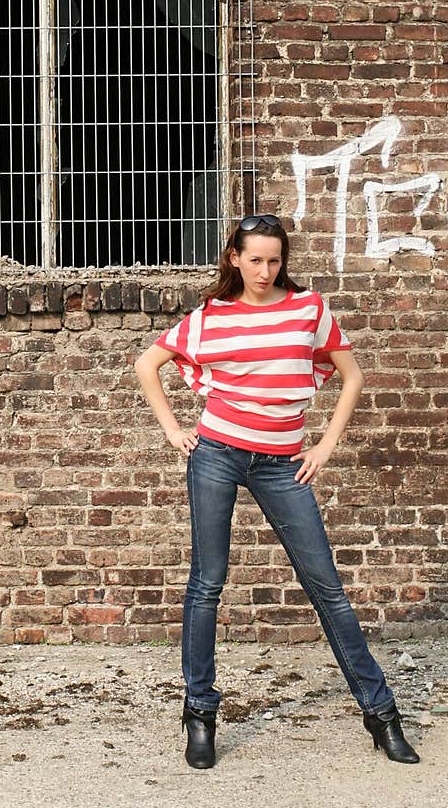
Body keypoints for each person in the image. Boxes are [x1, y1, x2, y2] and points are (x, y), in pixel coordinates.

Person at [133, 214, 419, 769]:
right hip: (215, 454)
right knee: (207, 585)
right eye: (255, 259)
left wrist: (324, 446)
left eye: (275, 259)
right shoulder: (210, 317)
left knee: (326, 587)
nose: (266, 270)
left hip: (282, 463)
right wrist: (174, 430)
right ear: (235, 259)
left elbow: (352, 375)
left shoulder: (309, 309)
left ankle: (381, 715)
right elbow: (148, 364)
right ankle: (200, 714)